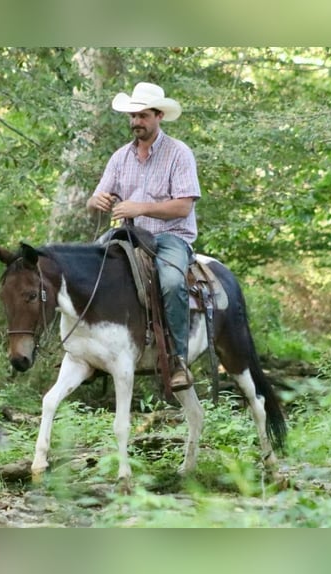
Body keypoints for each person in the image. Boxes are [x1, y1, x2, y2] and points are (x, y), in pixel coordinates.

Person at [86, 82, 201, 392]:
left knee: (173, 282)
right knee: (87, 271)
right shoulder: (120, 157)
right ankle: (91, 350)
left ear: (159, 116)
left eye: (143, 115)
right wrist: (95, 201)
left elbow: (184, 205)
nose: (136, 121)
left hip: (170, 236)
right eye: (133, 116)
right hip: (127, 234)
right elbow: (98, 195)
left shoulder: (179, 153)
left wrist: (141, 206)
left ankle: (178, 360)